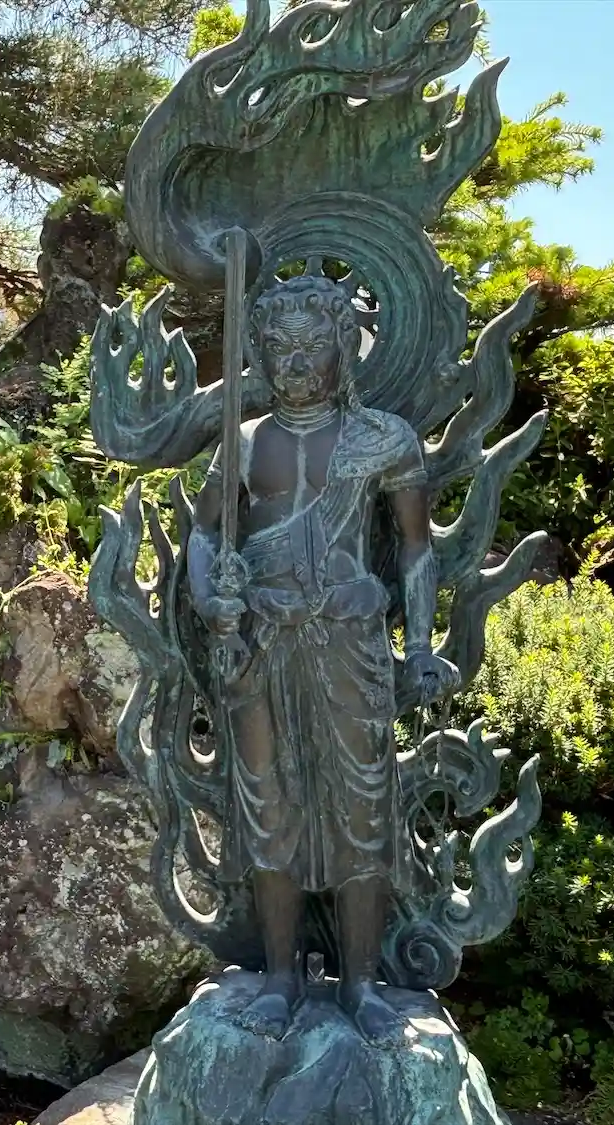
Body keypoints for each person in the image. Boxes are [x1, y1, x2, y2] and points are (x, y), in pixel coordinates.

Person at [186, 273, 457, 1041]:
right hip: (260, 644)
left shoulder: (383, 439)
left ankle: (362, 981)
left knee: (361, 807)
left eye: (312, 347)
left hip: (349, 643)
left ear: (345, 348)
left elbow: (415, 548)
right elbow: (205, 532)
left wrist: (420, 644)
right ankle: (279, 975)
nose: (295, 364)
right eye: (279, 349)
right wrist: (211, 598)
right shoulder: (244, 440)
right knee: (268, 804)